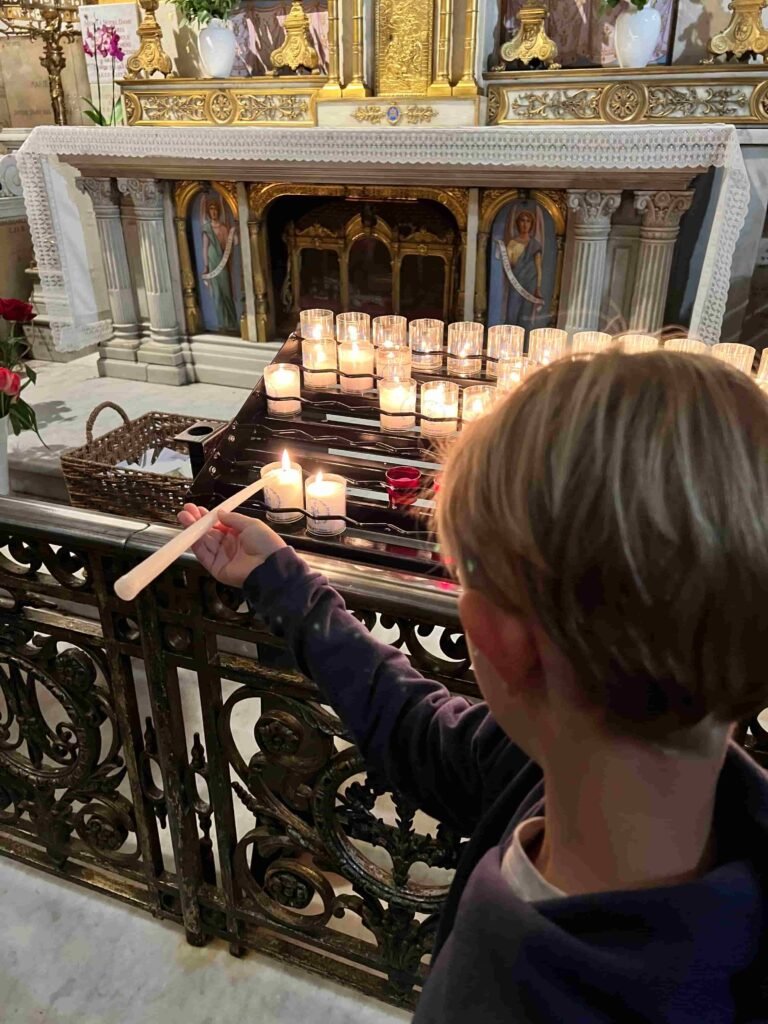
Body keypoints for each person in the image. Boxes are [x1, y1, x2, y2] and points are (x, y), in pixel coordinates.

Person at [179, 350, 768, 1023]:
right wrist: (280, 579)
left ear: (492, 633)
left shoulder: (499, 992)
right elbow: (415, 727)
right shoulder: (558, 772)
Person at [201, 197, 238, 332]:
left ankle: (232, 323)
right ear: (208, 212)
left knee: (227, 291)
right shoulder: (207, 228)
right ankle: (222, 324)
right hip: (213, 261)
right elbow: (205, 247)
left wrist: (234, 233)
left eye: (216, 209)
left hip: (224, 261)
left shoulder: (224, 227)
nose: (214, 212)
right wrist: (205, 266)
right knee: (217, 294)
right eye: (211, 210)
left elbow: (234, 244)